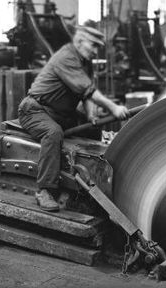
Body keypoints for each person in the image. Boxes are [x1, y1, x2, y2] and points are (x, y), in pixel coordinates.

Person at [18, 22, 130, 212]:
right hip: (35, 110)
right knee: (53, 133)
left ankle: (95, 178)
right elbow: (88, 89)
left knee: (91, 126)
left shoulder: (85, 62)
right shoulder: (67, 57)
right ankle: (45, 190)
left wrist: (91, 115)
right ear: (79, 41)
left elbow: (87, 94)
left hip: (60, 113)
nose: (96, 51)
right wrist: (114, 108)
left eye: (98, 47)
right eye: (93, 46)